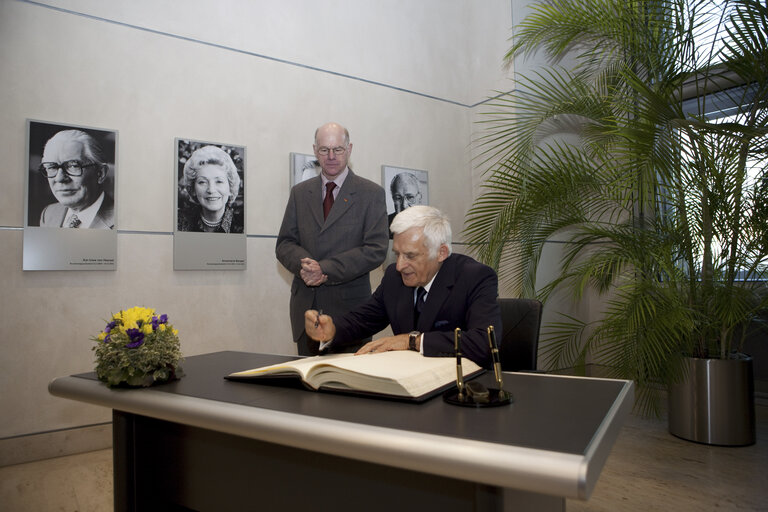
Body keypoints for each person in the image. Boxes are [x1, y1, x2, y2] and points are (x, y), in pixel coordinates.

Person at [304, 205, 501, 368]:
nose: (399, 266)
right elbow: (362, 320)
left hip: (461, 391)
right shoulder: (394, 277)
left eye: (410, 256)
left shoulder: (475, 277)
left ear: (441, 252)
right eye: (397, 254)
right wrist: (331, 330)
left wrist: (412, 341)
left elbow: (484, 343)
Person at [276, 122, 389, 355]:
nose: (330, 156)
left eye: (337, 149)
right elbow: (285, 243)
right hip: (307, 312)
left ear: (349, 149)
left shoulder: (371, 193)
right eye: (324, 150)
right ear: (315, 150)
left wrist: (324, 269)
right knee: (306, 388)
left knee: (350, 388)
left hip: (350, 316)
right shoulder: (300, 193)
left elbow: (376, 250)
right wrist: (304, 265)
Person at [38, 129, 114, 229]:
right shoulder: (49, 214)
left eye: (73, 166)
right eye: (52, 167)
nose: (60, 178)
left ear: (100, 173)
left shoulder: (121, 219)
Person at [177, 145, 243, 233]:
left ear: (230, 187)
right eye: (202, 182)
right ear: (193, 189)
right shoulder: (179, 222)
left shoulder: (243, 225)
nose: (211, 190)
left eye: (219, 181)